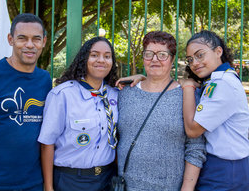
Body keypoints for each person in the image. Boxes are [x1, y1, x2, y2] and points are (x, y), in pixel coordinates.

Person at [0, 13, 52, 191]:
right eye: (22, 38)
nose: (30, 45)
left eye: (36, 39)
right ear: (10, 39)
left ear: (44, 41)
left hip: (32, 184)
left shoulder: (44, 79)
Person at [116, 31, 206, 191]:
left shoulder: (187, 95)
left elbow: (195, 148)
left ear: (172, 60)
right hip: (126, 186)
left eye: (162, 55)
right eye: (149, 54)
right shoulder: (125, 93)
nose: (155, 59)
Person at [38, 37, 119, 191]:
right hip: (72, 180)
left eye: (107, 56)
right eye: (94, 55)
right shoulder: (62, 95)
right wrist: (48, 187)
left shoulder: (115, 95)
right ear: (84, 59)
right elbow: (47, 143)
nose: (101, 60)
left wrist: (139, 78)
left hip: (107, 179)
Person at [180, 30, 249, 190]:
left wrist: (188, 87)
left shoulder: (222, 83)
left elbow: (193, 130)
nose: (194, 63)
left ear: (218, 51)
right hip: (223, 167)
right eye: (190, 60)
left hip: (226, 170)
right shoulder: (218, 80)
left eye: (200, 55)